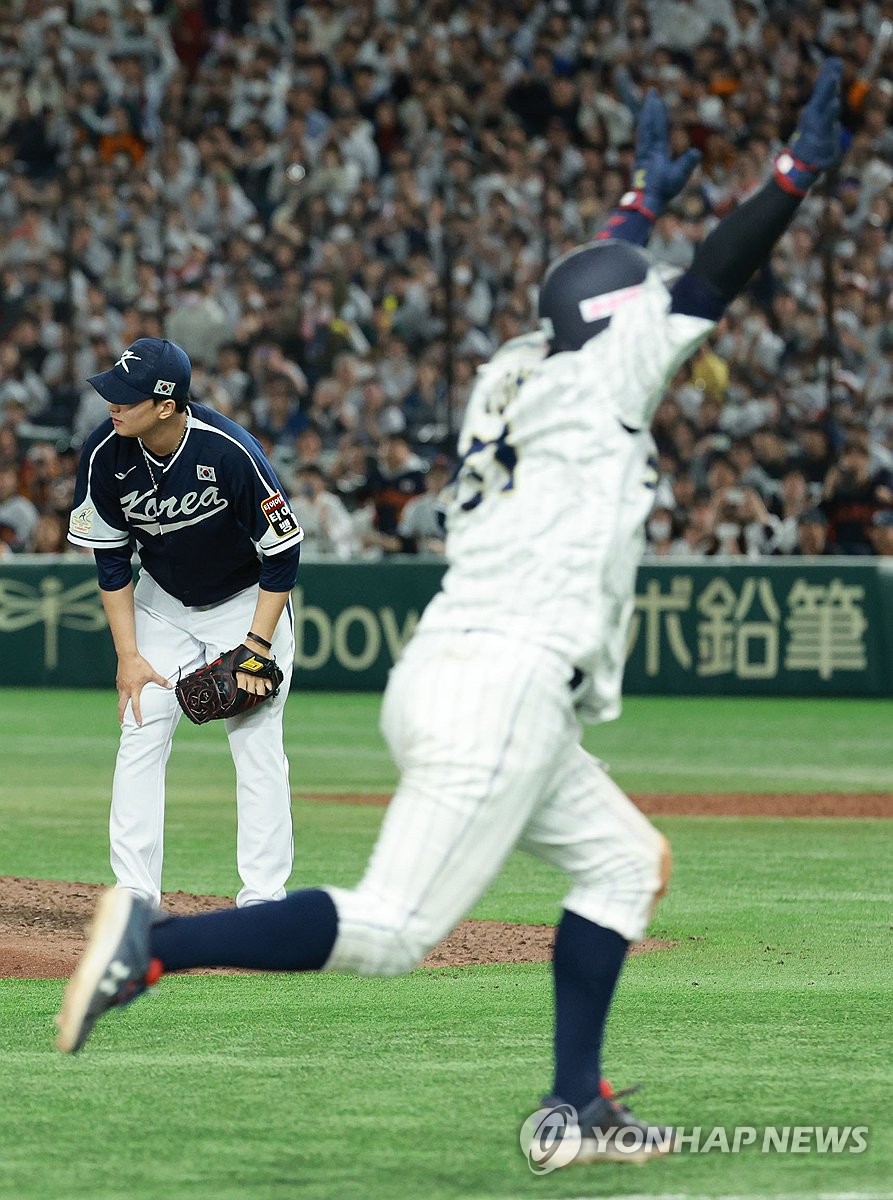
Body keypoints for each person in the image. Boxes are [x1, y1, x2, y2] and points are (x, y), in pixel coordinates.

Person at [57, 63, 843, 1166]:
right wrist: (791, 175)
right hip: (507, 682)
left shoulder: (515, 365)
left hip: (456, 667)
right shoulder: (596, 379)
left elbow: (585, 291)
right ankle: (154, 946)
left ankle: (575, 1108)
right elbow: (711, 278)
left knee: (622, 865)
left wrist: (635, 206)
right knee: (388, 930)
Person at [66, 337, 304, 908]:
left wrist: (255, 645)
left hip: (246, 602)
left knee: (257, 743)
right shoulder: (104, 452)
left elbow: (282, 556)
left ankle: (264, 901)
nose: (112, 406)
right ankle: (135, 896)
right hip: (162, 602)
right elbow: (112, 559)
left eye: (127, 397)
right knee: (140, 728)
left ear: (167, 405)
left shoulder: (229, 452)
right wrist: (128, 657)